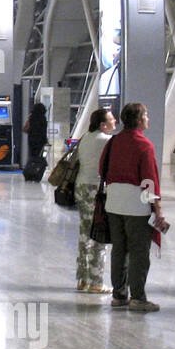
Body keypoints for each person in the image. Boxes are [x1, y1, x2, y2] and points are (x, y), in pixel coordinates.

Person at [98, 102, 168, 312]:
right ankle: (138, 297)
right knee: (138, 251)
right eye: (146, 115)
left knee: (119, 249)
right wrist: (157, 208)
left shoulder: (113, 142)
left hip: (113, 203)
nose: (148, 119)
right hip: (136, 204)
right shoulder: (144, 145)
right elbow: (148, 180)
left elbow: (103, 169)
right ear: (138, 120)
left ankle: (119, 295)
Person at [75, 107, 116, 293]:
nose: (114, 122)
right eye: (111, 120)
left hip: (81, 186)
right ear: (102, 124)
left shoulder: (86, 137)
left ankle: (82, 279)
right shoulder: (106, 141)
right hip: (95, 189)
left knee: (84, 234)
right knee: (99, 233)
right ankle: (96, 282)